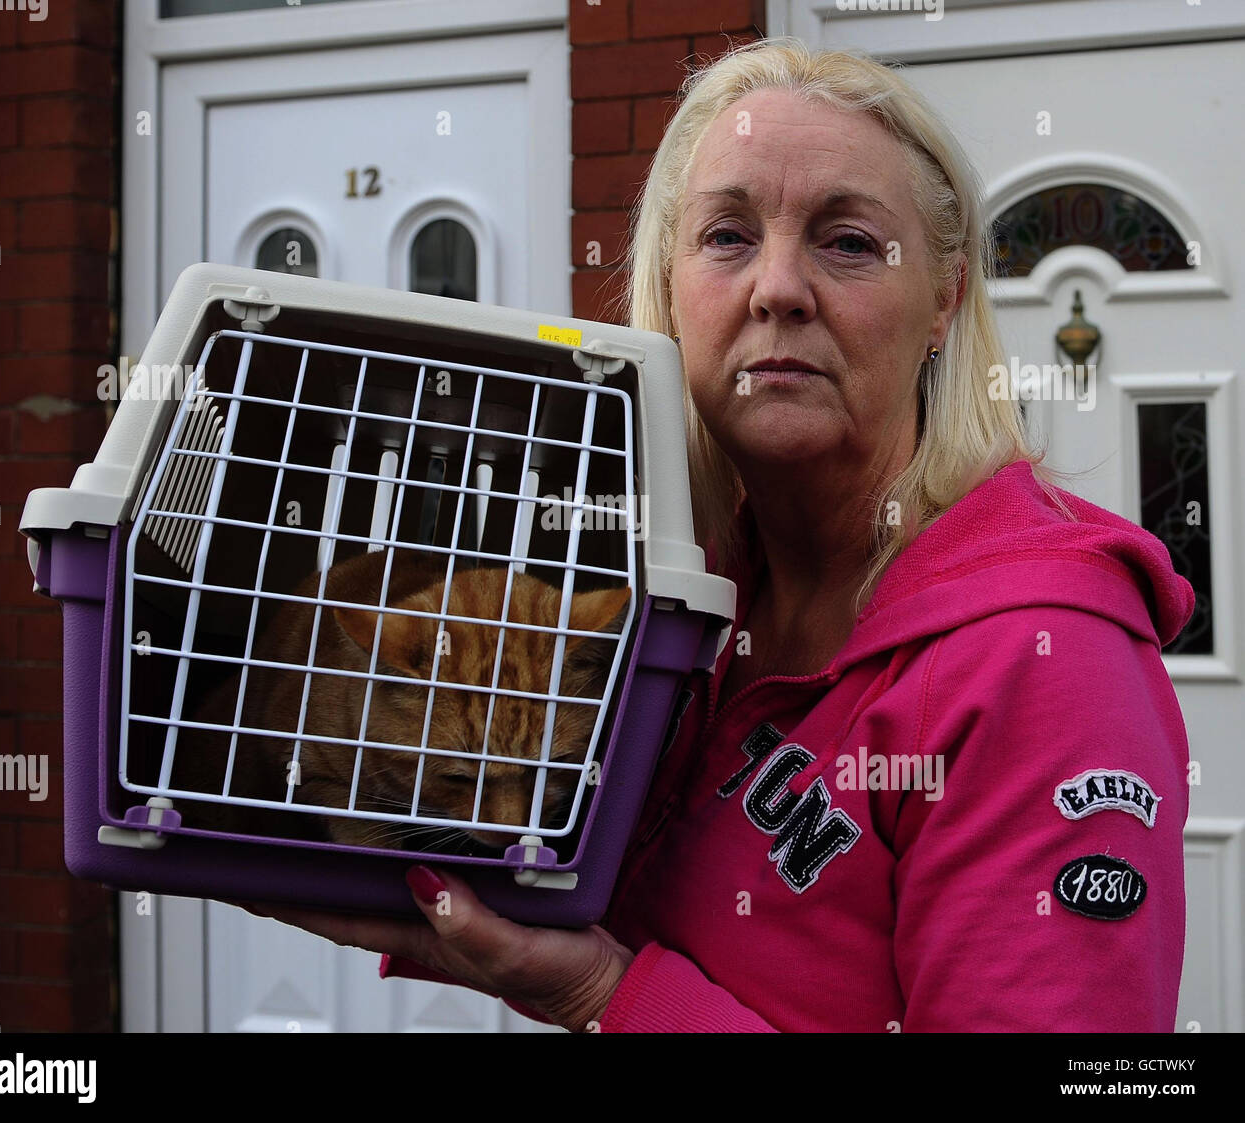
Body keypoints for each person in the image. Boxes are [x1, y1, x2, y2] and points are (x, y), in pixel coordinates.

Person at [242, 39, 1195, 1032]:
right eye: (729, 237)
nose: (777, 287)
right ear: (670, 292)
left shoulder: (1045, 665)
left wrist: (604, 996)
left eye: (849, 242)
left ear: (944, 302)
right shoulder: (681, 601)